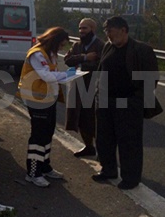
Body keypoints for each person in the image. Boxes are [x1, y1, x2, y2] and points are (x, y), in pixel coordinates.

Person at [91, 16, 159, 190]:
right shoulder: (108, 47)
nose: (109, 36)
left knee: (129, 143)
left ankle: (130, 178)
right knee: (104, 139)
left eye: (111, 32)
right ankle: (108, 170)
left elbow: (151, 79)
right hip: (106, 102)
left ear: (123, 30)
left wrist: (135, 100)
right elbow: (101, 71)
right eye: (106, 33)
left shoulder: (142, 50)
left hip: (128, 103)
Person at [17, 27, 74, 187]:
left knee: (48, 133)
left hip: (48, 99)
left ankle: (45, 166)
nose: (62, 48)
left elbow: (51, 75)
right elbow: (46, 76)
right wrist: (66, 75)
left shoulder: (50, 54)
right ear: (55, 41)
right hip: (37, 100)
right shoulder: (37, 53)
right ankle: (33, 172)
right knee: (38, 136)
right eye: (61, 44)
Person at [64, 18, 105, 157]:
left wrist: (85, 64)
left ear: (93, 29)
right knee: (79, 117)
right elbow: (68, 60)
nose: (81, 31)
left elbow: (102, 65)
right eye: (80, 28)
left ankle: (102, 151)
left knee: (92, 118)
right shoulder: (77, 45)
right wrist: (85, 57)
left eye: (85, 28)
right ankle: (89, 147)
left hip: (94, 86)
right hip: (78, 84)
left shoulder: (101, 45)